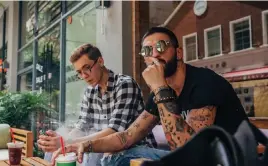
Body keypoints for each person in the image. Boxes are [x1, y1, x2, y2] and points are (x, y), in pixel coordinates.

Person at [51, 27, 249, 165]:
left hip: (228, 159)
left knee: (120, 158)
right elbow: (127, 137)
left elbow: (193, 153)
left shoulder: (204, 82)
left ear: (178, 52)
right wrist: (81, 145)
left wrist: (160, 87)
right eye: (147, 50)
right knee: (113, 156)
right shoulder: (161, 91)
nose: (154, 54)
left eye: (161, 47)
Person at [37, 44, 157, 165]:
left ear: (100, 61)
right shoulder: (89, 92)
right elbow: (82, 126)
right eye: (79, 72)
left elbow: (114, 131)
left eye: (87, 68)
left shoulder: (124, 84)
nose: (84, 76)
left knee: (93, 155)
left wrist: (69, 142)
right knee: (54, 151)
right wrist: (61, 142)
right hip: (103, 148)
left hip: (134, 149)